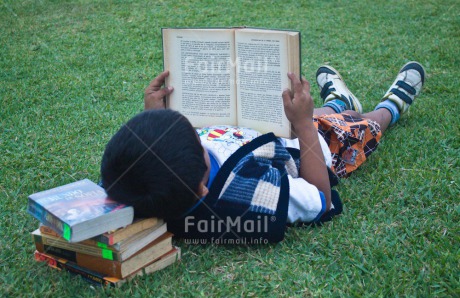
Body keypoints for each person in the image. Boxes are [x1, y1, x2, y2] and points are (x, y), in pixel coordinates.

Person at [100, 62, 425, 242]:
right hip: (313, 146)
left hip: (268, 129)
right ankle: (390, 107)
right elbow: (319, 199)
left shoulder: (140, 180)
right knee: (356, 124)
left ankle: (337, 100)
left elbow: (125, 179)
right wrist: (304, 128)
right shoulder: (248, 197)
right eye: (196, 139)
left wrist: (151, 117)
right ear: (202, 189)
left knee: (323, 111)